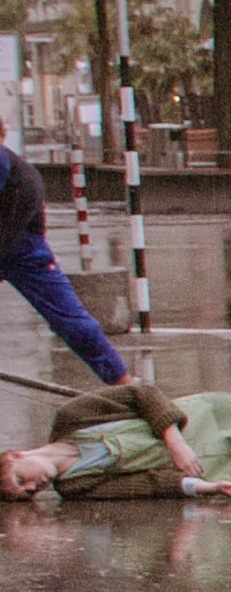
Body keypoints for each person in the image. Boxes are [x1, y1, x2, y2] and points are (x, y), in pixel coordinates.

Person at [0, 381, 231, 503]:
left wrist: (174, 441)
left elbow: (141, 394)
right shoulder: (74, 487)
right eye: (25, 494)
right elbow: (149, 484)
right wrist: (207, 486)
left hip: (208, 417)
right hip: (209, 466)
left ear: (16, 455)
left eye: (20, 479)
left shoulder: (72, 418)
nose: (32, 488)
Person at [1, 113, 134, 388]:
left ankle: (130, 390)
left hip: (21, 248)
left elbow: (74, 324)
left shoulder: (21, 180)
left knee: (76, 327)